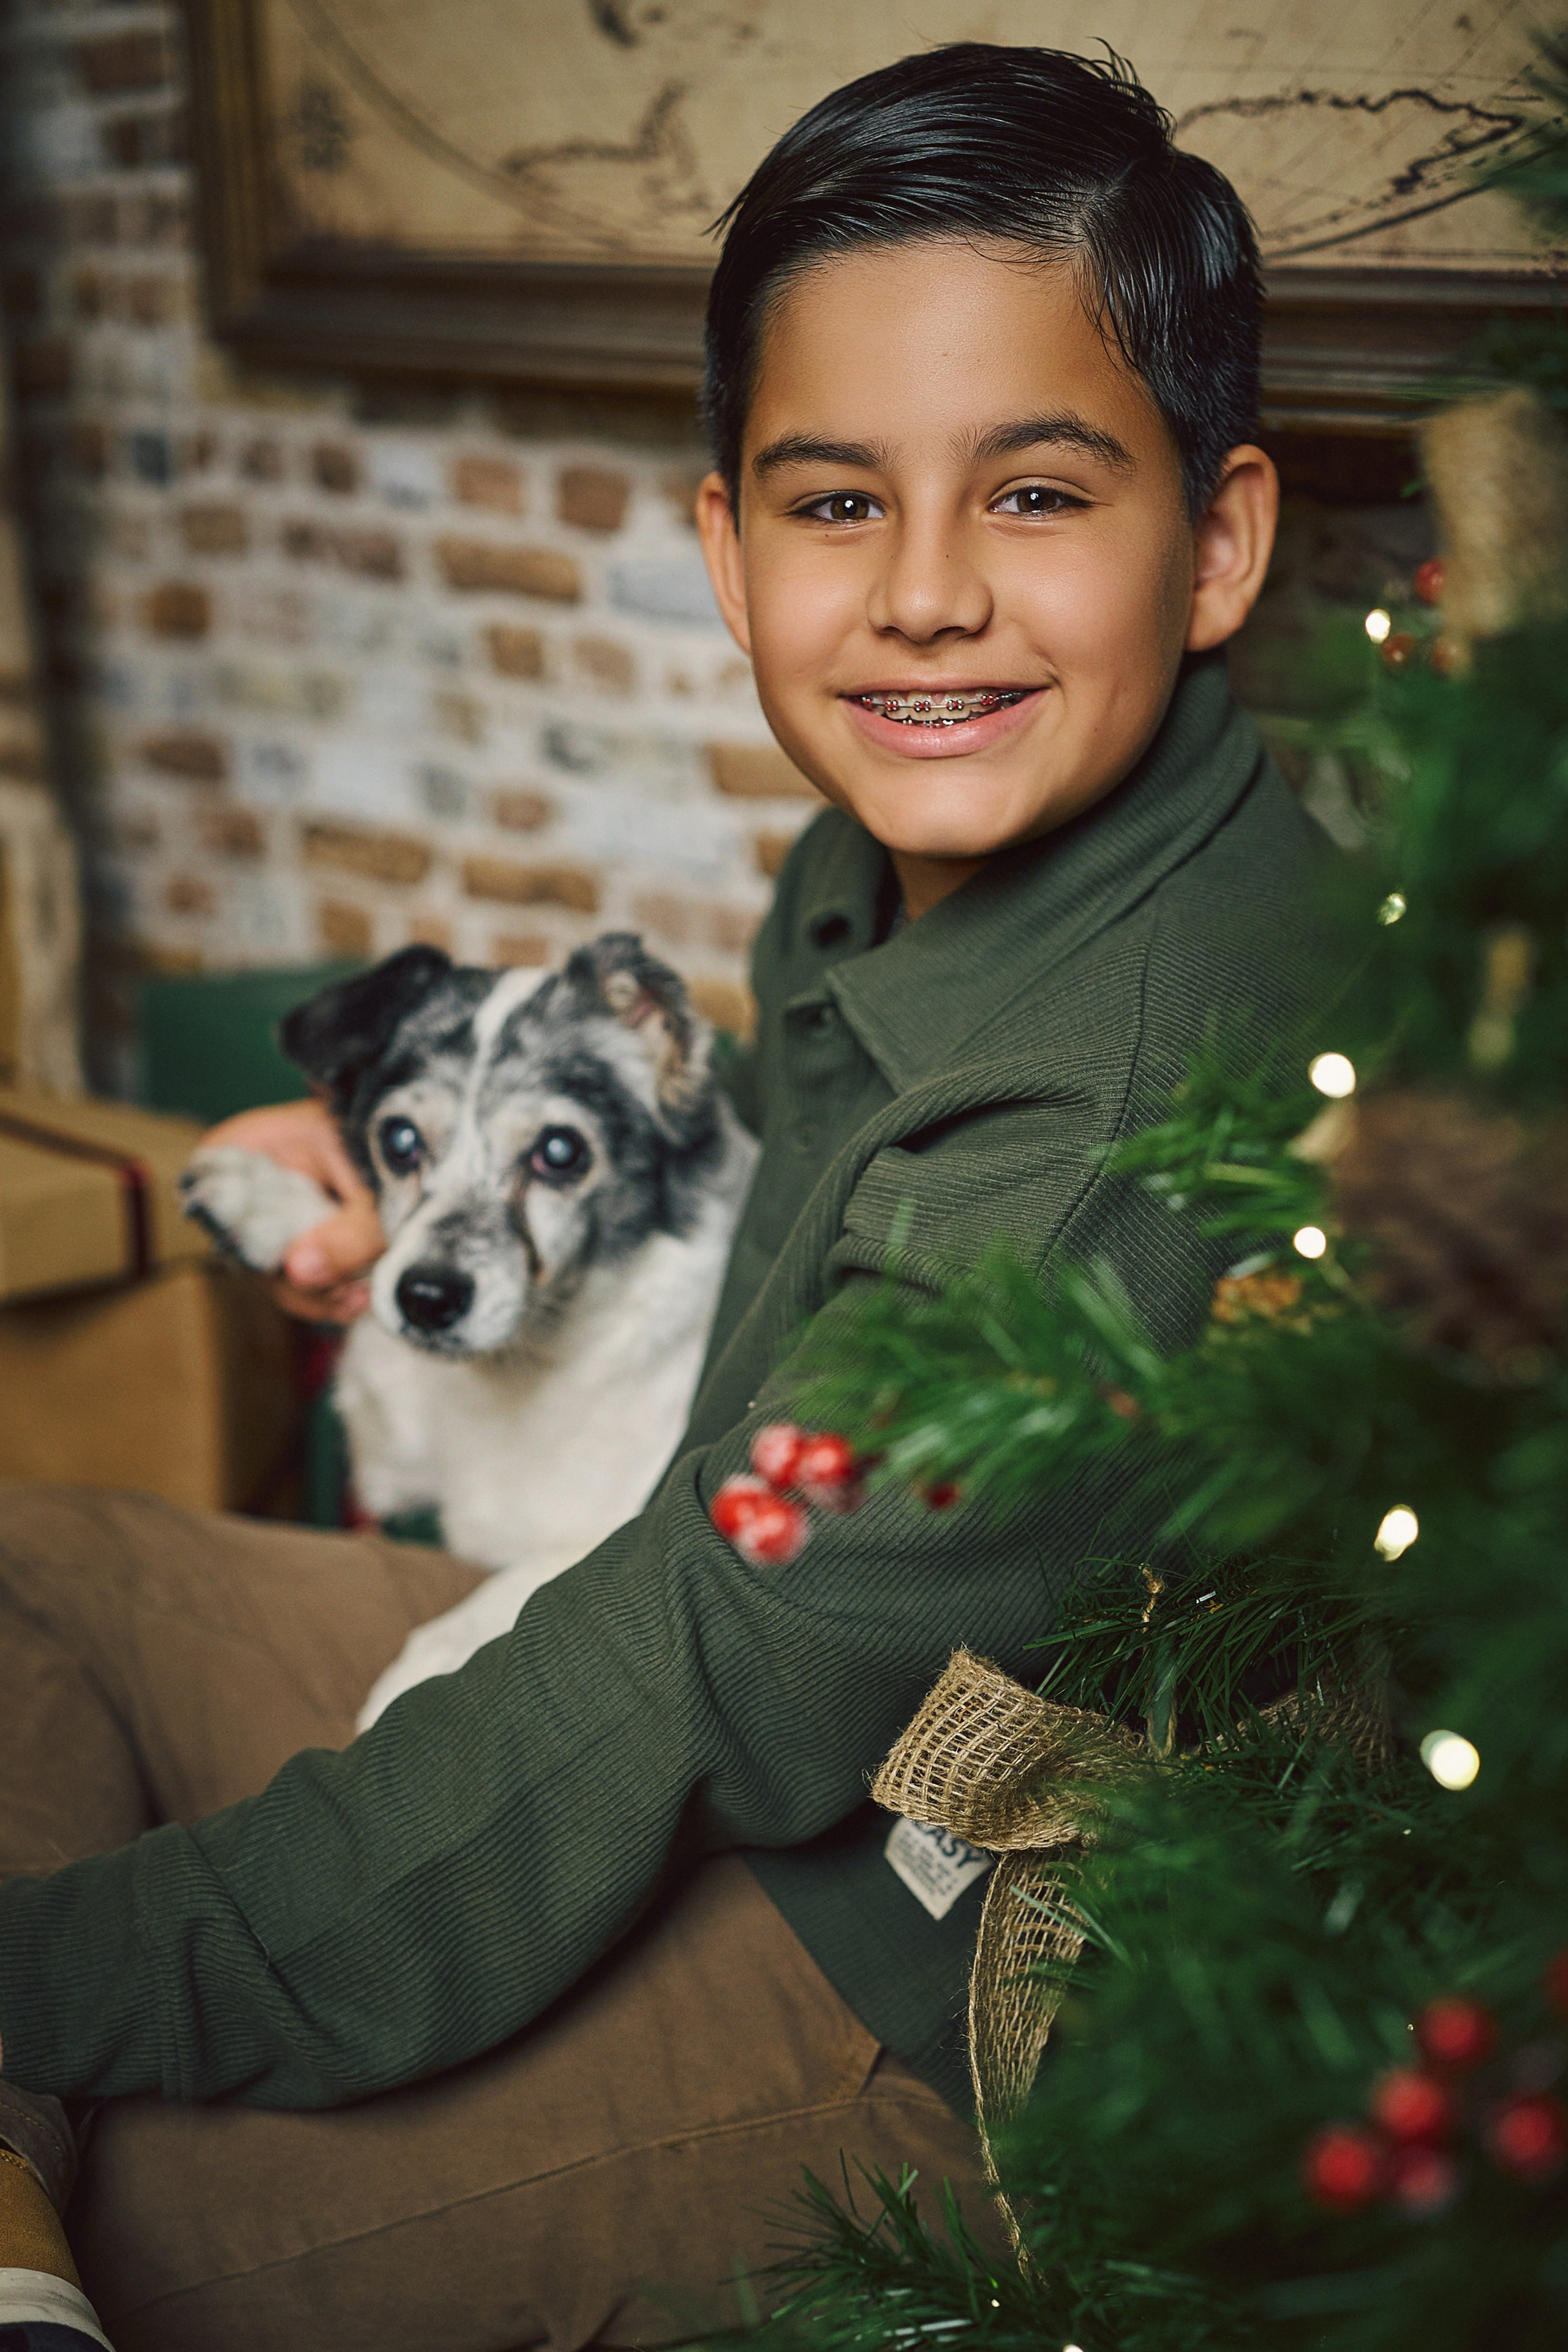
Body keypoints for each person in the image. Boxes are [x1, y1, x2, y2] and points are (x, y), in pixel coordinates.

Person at [0, 42, 1332, 2352]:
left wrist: (89, 1974)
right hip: (697, 1669)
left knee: (181, 2210)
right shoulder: (892, 860)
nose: (924, 600)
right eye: (836, 506)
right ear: (726, 548)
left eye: (1034, 496)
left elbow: (706, 1678)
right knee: (40, 1566)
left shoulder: (1105, 1122)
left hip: (946, 1993)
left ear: (1216, 541)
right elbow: (699, 1571)